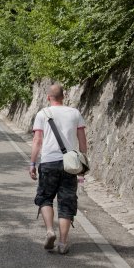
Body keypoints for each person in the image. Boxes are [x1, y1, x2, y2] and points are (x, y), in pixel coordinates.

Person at [29, 84, 87, 254]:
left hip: (48, 162)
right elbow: (82, 140)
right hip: (70, 164)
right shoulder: (75, 113)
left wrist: (32, 163)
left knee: (45, 197)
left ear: (48, 97)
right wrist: (83, 163)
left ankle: (49, 231)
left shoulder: (42, 114)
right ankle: (62, 243)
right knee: (67, 202)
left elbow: (37, 141)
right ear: (64, 96)